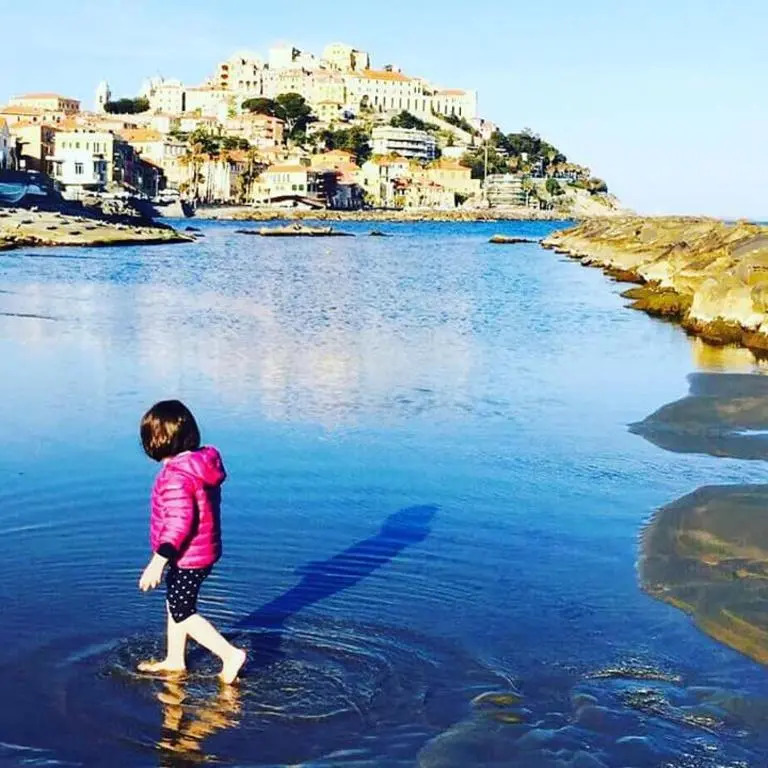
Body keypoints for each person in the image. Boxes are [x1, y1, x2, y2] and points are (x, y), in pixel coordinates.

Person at [137, 399, 246, 684]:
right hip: (202, 550)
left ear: (156, 441)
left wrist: (157, 562)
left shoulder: (176, 477)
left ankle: (230, 655)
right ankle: (175, 660)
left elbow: (178, 523)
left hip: (189, 556)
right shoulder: (199, 465)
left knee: (183, 611)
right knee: (175, 603)